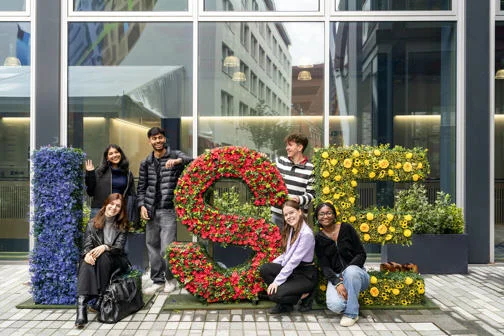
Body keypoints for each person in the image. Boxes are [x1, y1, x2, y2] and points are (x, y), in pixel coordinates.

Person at [137, 127, 193, 294]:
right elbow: (141, 188)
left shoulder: (175, 155)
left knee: (167, 248)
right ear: (150, 141)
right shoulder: (146, 162)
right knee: (152, 247)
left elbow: (193, 161)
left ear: (164, 138)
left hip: (168, 210)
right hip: (151, 210)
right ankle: (157, 280)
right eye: (154, 139)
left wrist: (178, 162)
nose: (157, 141)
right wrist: (141, 206)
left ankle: (170, 279)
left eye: (160, 137)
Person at [75, 193, 130, 329]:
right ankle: (81, 305)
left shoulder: (122, 225)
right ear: (106, 204)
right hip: (97, 260)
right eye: (111, 204)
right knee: (86, 260)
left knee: (103, 255)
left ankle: (97, 298)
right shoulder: (92, 224)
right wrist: (87, 254)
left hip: (117, 260)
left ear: (121, 209)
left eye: (118, 206)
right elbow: (87, 245)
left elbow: (119, 248)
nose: (113, 208)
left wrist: (105, 247)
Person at [314, 202, 369, 327]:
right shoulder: (318, 238)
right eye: (321, 214)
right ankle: (353, 302)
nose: (325, 216)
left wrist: (346, 273)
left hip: (357, 273)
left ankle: (351, 314)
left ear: (334, 215)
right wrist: (337, 281)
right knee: (335, 305)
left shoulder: (346, 228)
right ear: (317, 218)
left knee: (351, 272)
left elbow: (361, 253)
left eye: (328, 213)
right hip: (337, 276)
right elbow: (324, 265)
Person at [259, 200, 318, 314]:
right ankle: (286, 304)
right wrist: (273, 265)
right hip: (294, 271)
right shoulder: (292, 229)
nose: (289, 217)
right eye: (286, 214)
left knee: (274, 294)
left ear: (300, 212)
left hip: (305, 275)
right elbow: (287, 255)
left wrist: (277, 282)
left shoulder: (306, 234)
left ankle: (304, 295)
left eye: (291, 213)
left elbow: (293, 261)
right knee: (265, 269)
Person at [271, 133, 315, 229]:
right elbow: (267, 173)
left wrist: (299, 199)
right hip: (277, 214)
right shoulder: (280, 162)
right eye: (287, 145)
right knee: (275, 243)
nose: (287, 148)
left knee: (294, 243)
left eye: (290, 145)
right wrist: (262, 159)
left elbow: (312, 194)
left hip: (296, 217)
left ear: (299, 147)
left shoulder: (310, 168)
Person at [85, 144, 136, 219]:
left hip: (118, 210)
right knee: (96, 231)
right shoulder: (100, 171)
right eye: (111, 154)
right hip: (100, 209)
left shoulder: (127, 173)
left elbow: (131, 194)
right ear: (107, 158)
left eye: (116, 152)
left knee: (118, 231)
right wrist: (90, 174)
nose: (114, 155)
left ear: (120, 154)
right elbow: (90, 192)